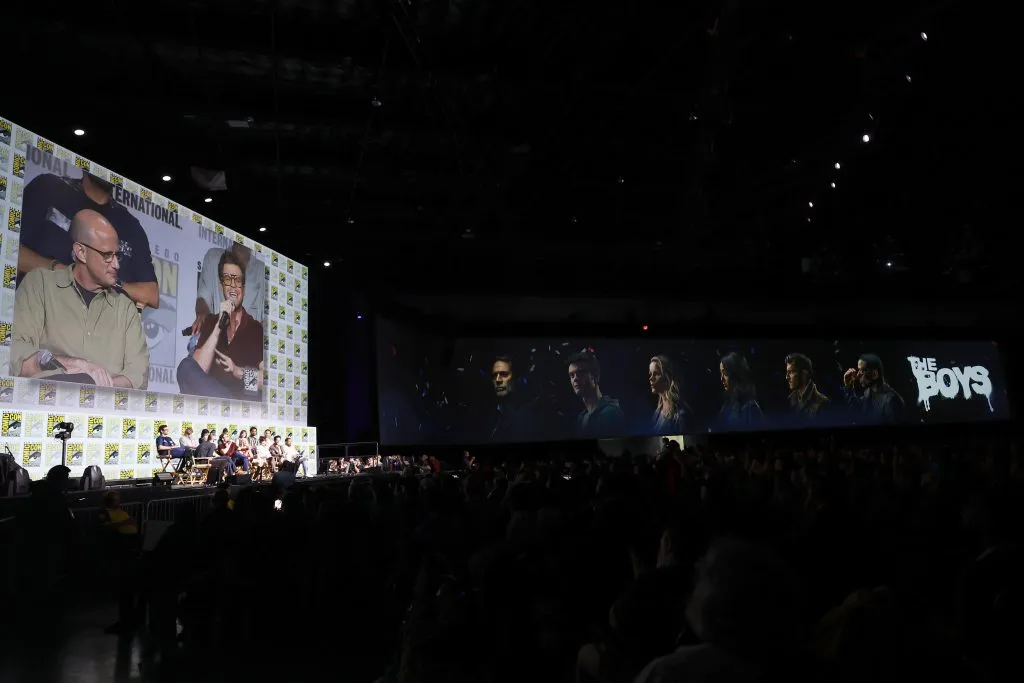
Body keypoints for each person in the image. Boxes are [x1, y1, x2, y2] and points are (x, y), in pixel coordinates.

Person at [11, 209, 149, 388]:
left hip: (104, 412)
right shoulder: (40, 285)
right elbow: (14, 352)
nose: (116, 264)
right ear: (81, 252)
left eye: (118, 256)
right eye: (107, 255)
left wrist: (98, 389)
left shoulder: (125, 309)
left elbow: (138, 375)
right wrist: (74, 366)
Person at [19, 167, 159, 309]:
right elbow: (10, 248)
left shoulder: (130, 225)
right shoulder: (48, 188)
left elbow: (151, 294)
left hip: (93, 326)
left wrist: (107, 282)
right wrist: (63, 272)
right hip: (34, 311)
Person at [176, 250, 264, 399]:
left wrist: (238, 372)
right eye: (227, 280)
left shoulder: (256, 329)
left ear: (243, 287)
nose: (233, 287)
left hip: (241, 403)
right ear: (221, 285)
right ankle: (223, 404)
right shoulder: (211, 322)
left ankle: (226, 405)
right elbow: (198, 371)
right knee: (186, 367)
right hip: (215, 401)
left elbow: (268, 381)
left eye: (237, 281)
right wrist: (218, 328)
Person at [191, 242, 265, 328]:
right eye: (227, 280)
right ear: (220, 284)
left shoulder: (263, 271)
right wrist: (204, 317)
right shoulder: (213, 257)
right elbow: (203, 296)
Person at [488, 355, 550, 442]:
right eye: (495, 375)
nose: (498, 380)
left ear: (515, 378)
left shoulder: (532, 415)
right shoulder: (491, 415)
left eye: (504, 374)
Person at [567, 350, 626, 439]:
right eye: (572, 375)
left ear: (595, 376)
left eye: (581, 373)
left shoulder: (611, 414)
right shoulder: (581, 417)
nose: (575, 379)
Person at [842, 353, 906, 425]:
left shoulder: (891, 400)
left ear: (874, 374)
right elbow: (856, 412)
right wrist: (848, 386)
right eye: (859, 370)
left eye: (862, 371)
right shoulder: (868, 392)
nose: (858, 375)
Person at [715, 351, 763, 431]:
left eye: (725, 373)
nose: (722, 379)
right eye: (721, 374)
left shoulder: (750, 408)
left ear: (735, 374)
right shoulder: (727, 403)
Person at [648, 354, 690, 434]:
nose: (650, 378)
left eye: (656, 374)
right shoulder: (657, 411)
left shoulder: (679, 416)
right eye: (650, 374)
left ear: (667, 376)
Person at [785, 353, 830, 423]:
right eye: (787, 372)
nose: (787, 377)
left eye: (791, 372)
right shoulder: (790, 399)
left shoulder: (822, 404)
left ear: (804, 374)